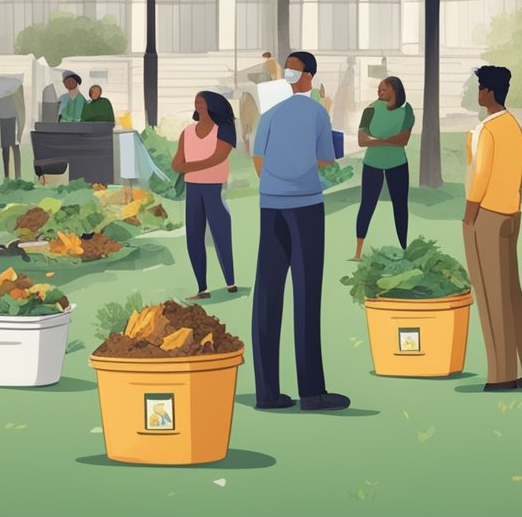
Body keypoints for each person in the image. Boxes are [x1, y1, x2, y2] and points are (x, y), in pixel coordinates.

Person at [251, 51, 348, 412]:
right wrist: (302, 180)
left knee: (267, 294)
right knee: (306, 295)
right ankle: (311, 391)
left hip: (270, 204)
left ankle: (267, 392)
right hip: (305, 205)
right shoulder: (317, 113)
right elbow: (326, 161)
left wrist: (276, 183)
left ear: (303, 74)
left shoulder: (270, 115)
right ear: (311, 78)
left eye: (293, 67)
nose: (290, 72)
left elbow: (258, 158)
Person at [464, 66, 522, 391]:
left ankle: (501, 374)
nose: (478, 93)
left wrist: (469, 215)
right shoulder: (513, 126)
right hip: (512, 214)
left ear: (489, 92)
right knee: (511, 292)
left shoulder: (487, 129)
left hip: (488, 216)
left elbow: (479, 175)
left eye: (481, 88)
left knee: (491, 295)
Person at [173, 91, 237, 299]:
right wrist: (188, 168)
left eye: (203, 102)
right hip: (193, 188)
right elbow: (176, 164)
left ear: (213, 106)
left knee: (221, 233)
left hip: (214, 187)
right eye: (197, 102)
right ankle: (202, 288)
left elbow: (217, 158)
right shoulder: (188, 132)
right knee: (194, 237)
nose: (198, 105)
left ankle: (231, 282)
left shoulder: (223, 130)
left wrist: (188, 166)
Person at [355, 77, 415, 260]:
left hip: (397, 165)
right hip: (372, 165)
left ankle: (404, 249)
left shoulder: (407, 110)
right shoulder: (370, 109)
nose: (379, 92)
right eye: (378, 89)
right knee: (367, 205)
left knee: (400, 206)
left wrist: (377, 141)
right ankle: (357, 252)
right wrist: (389, 141)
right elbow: (361, 140)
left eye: (383, 89)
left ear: (395, 90)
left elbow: (404, 139)